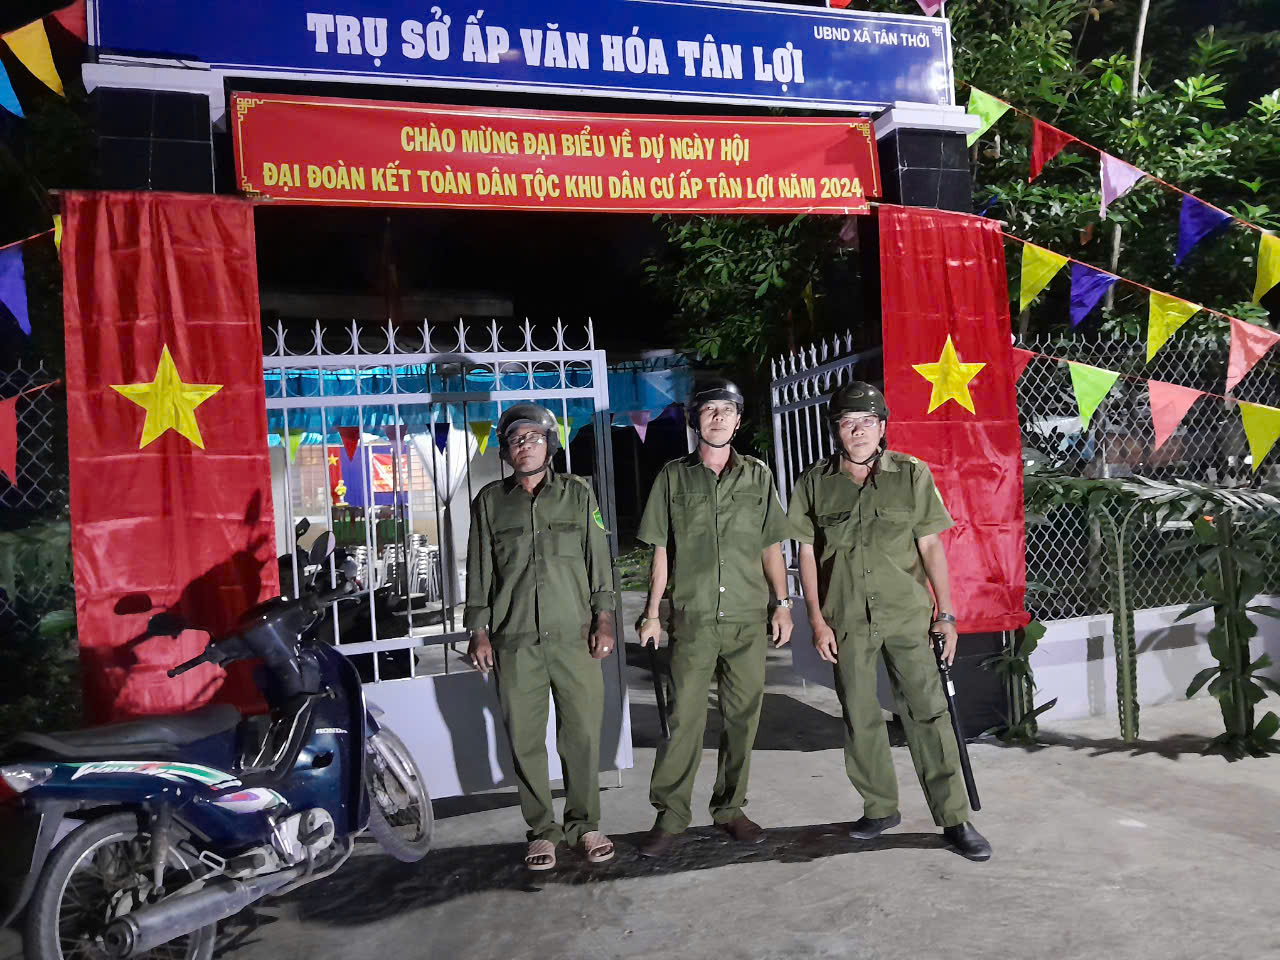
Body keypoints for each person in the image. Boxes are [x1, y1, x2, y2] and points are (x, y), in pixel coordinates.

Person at [786, 381, 992, 861]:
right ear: (835, 430)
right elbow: (807, 555)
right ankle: (879, 807)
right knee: (859, 715)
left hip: (907, 618)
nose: (856, 431)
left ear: (882, 427)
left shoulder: (912, 474)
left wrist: (947, 614)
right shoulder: (814, 482)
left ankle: (954, 818)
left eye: (866, 422)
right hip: (847, 619)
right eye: (846, 422)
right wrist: (816, 620)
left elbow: (930, 546)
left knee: (929, 713)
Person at [634, 378, 793, 858]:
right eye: (709, 411)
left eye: (727, 410)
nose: (719, 418)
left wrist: (781, 603)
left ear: (739, 419)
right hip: (694, 618)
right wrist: (651, 614)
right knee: (683, 719)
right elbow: (661, 550)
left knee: (743, 719)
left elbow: (771, 545)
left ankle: (729, 809)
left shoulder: (758, 476)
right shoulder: (673, 477)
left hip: (747, 618)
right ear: (695, 420)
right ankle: (671, 816)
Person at [464, 403, 617, 870]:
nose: (523, 445)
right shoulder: (490, 502)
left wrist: (605, 617)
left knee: (582, 736)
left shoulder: (578, 495)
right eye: (514, 440)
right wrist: (479, 631)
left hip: (574, 639)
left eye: (532, 437)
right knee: (525, 740)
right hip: (515, 643)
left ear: (549, 445)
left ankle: (585, 824)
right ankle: (542, 831)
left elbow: (598, 559)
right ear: (506, 453)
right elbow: (480, 571)